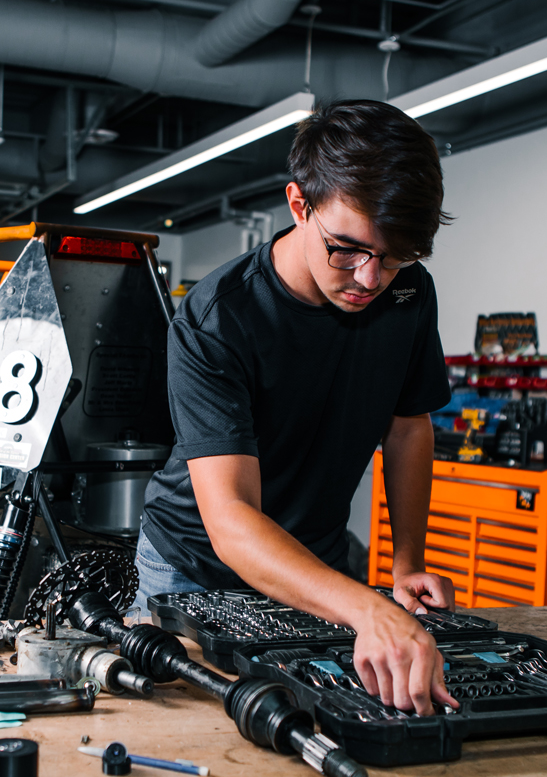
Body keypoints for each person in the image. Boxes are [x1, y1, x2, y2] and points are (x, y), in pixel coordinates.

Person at [136, 100, 457, 716]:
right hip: (196, 567)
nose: (370, 279)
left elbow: (408, 426)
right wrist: (368, 608)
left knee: (312, 729)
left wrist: (405, 563)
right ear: (299, 205)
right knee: (200, 747)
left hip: (314, 565)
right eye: (348, 250)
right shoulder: (218, 317)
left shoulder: (410, 293)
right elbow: (230, 520)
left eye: (394, 258)